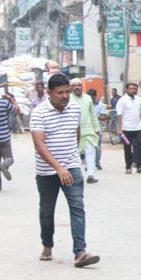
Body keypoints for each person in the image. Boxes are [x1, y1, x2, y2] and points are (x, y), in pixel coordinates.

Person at [29, 73, 100, 268]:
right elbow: (39, 145)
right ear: (49, 92)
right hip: (47, 172)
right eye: (60, 93)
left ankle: (80, 252)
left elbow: (75, 134)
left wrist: (70, 161)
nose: (65, 96)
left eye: (67, 92)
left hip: (71, 167)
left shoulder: (75, 109)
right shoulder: (39, 113)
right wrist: (58, 167)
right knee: (46, 211)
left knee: (77, 208)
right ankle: (47, 244)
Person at [69, 79, 101, 184]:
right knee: (73, 154)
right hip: (73, 131)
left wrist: (96, 129)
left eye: (79, 85)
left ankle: (90, 175)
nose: (77, 87)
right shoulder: (68, 99)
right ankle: (74, 175)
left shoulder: (88, 98)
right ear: (71, 88)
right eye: (74, 86)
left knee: (90, 151)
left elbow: (92, 114)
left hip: (88, 130)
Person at [116, 83, 141, 174]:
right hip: (126, 128)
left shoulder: (139, 100)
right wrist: (120, 128)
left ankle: (140, 166)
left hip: (138, 128)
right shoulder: (122, 100)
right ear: (127, 90)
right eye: (131, 89)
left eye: (135, 89)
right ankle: (128, 167)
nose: (133, 90)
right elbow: (119, 115)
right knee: (127, 147)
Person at [87, 89, 107, 170]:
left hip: (97, 130)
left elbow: (103, 117)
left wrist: (94, 116)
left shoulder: (101, 105)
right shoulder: (86, 105)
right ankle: (89, 164)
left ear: (94, 97)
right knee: (88, 148)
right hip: (88, 129)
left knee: (97, 147)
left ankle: (97, 163)